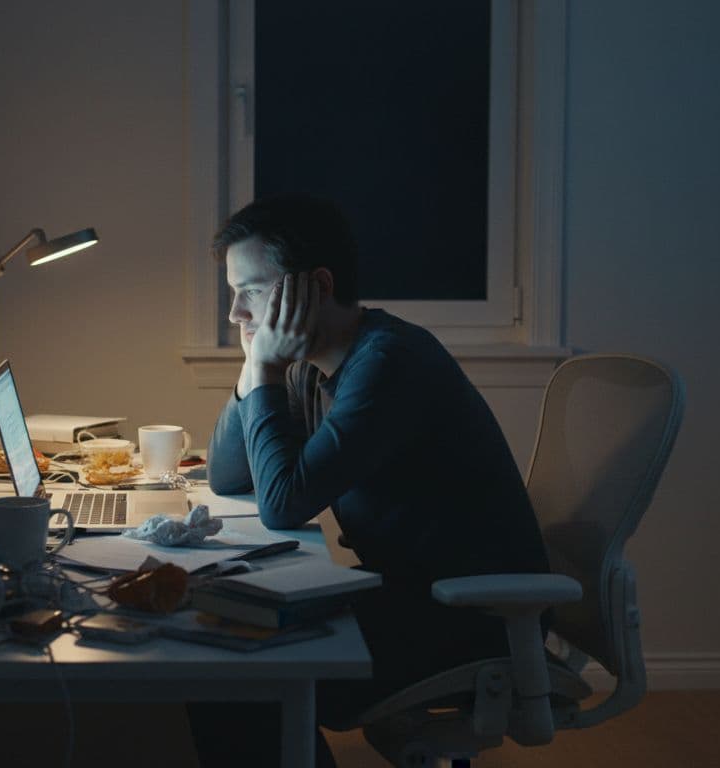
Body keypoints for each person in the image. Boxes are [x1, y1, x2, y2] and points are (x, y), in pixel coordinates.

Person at [188, 194, 550, 767]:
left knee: (237, 673)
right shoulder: (314, 364)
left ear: (319, 286)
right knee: (218, 642)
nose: (236, 313)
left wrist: (264, 369)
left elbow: (281, 505)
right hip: (406, 593)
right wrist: (254, 368)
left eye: (251, 291)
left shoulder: (387, 363)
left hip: (471, 616)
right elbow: (229, 474)